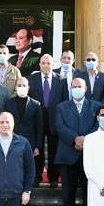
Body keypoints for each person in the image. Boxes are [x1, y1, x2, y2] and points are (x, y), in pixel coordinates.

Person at [54, 78, 100, 206]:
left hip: (90, 156)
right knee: (68, 194)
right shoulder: (61, 107)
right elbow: (59, 127)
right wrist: (75, 139)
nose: (76, 89)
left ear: (85, 88)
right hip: (68, 155)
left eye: (79, 86)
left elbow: (98, 126)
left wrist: (86, 139)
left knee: (89, 195)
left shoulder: (96, 106)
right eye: (73, 86)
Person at [4, 77, 43, 206]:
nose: (21, 87)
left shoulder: (36, 104)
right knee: (11, 175)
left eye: (24, 85)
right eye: (19, 85)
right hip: (11, 143)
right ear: (15, 87)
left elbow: (39, 127)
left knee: (26, 177)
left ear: (28, 88)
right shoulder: (8, 103)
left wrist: (38, 146)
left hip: (29, 145)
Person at [29, 54, 67, 187]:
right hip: (37, 119)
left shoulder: (61, 80)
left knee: (54, 149)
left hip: (54, 120)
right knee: (37, 148)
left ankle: (53, 178)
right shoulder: (31, 79)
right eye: (43, 63)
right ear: (39, 64)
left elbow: (64, 102)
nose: (46, 65)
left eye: (48, 63)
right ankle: (36, 177)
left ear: (53, 65)